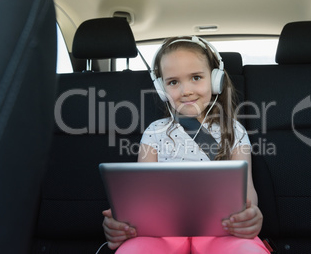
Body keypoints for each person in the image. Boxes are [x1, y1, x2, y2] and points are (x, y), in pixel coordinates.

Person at [102, 36, 270, 253]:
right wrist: (122, 224)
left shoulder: (235, 130)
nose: (186, 91)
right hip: (159, 234)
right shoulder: (155, 132)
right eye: (173, 82)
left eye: (196, 77)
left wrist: (250, 215)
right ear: (162, 89)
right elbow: (142, 197)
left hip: (222, 231)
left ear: (215, 79)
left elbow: (247, 194)